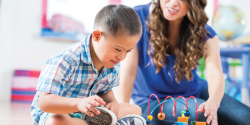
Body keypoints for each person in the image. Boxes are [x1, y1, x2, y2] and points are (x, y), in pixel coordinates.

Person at [118, 0, 250, 125]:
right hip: (151, 99)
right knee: (200, 113)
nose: (173, 3)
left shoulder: (204, 31)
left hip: (194, 90)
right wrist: (122, 111)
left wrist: (213, 102)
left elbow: (215, 73)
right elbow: (129, 71)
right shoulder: (138, 17)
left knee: (245, 116)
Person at [31, 4, 145, 125]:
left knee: (135, 110)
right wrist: (79, 103)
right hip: (59, 113)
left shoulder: (112, 62)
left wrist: (113, 103)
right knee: (56, 122)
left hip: (90, 113)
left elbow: (105, 90)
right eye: (118, 49)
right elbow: (44, 102)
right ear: (97, 36)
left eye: (128, 51)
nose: (122, 57)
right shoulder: (67, 60)